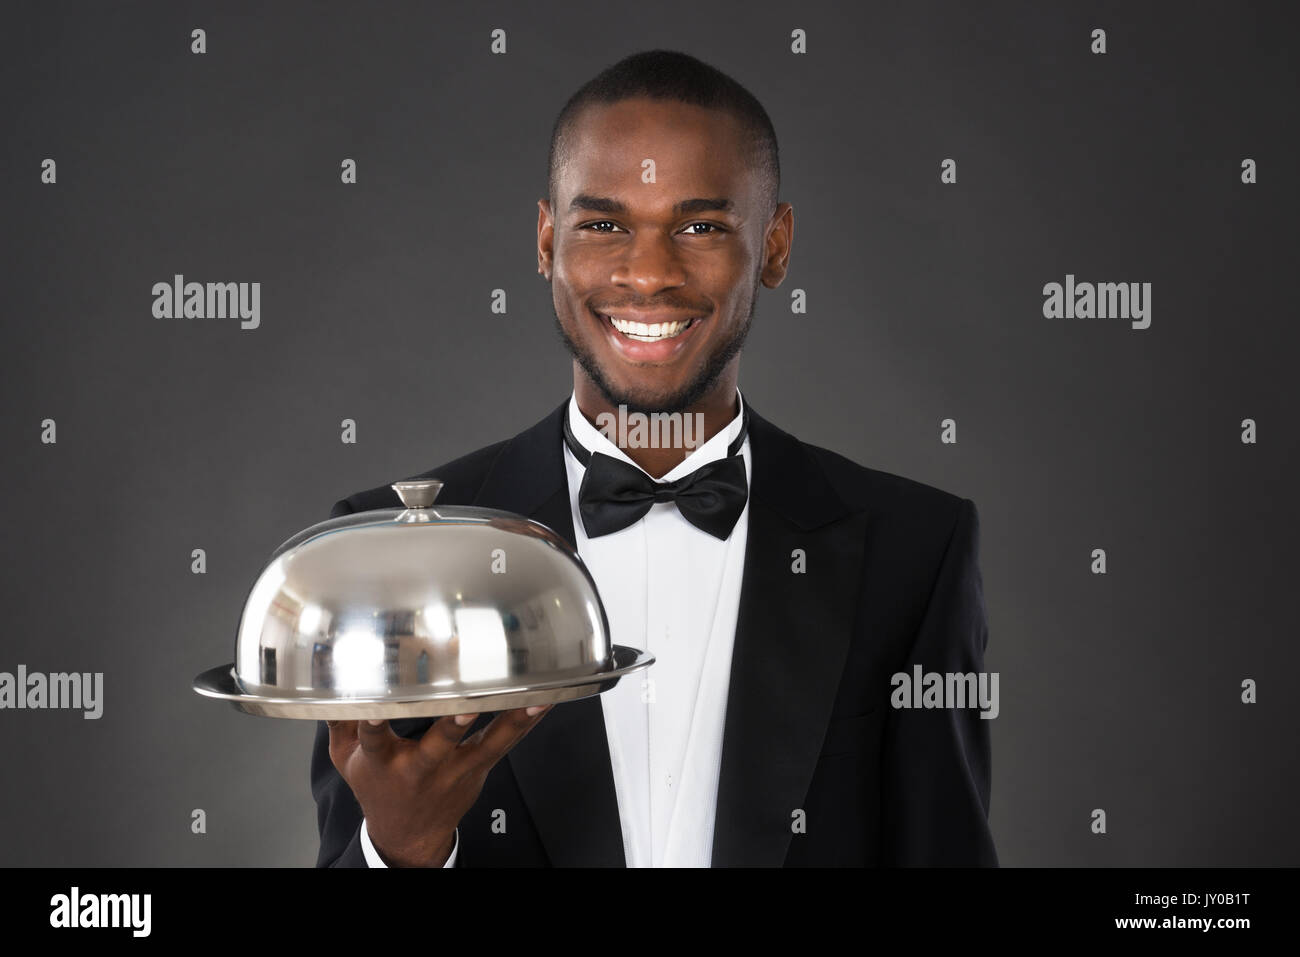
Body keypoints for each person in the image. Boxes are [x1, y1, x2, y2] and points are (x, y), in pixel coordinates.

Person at [311, 49, 997, 867]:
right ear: (545, 241)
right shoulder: (387, 550)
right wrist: (403, 847)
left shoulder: (914, 550)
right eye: (603, 225)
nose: (648, 274)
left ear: (775, 246)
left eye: (700, 226)